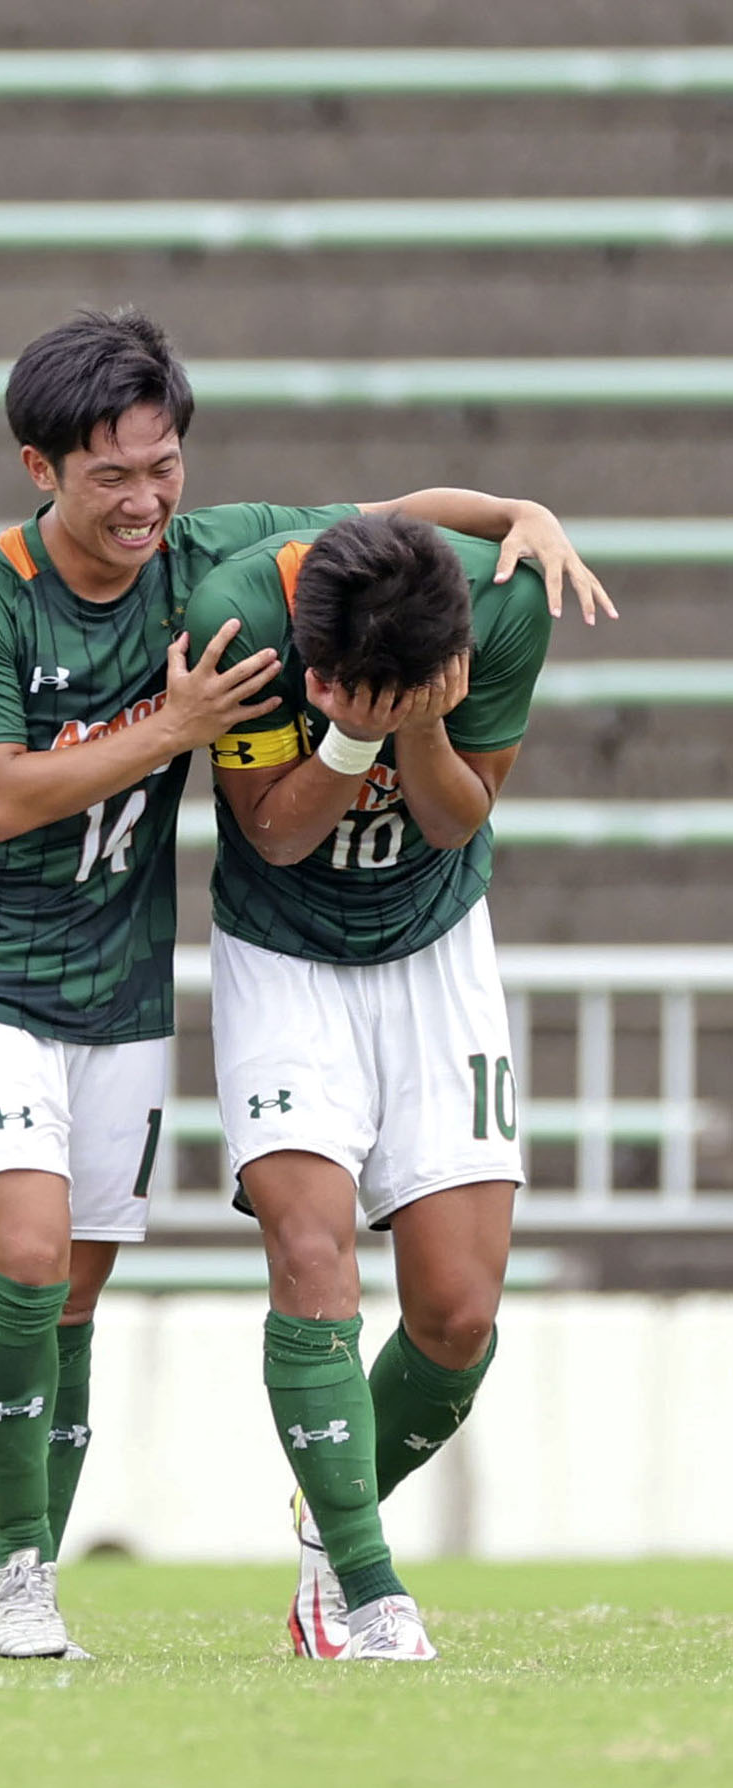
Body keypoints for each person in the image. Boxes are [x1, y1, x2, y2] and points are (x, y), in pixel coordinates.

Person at [0, 308, 609, 1660]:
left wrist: (516, 505)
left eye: (162, 467)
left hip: (117, 984)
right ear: (35, 467)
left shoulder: (204, 559)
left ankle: (267, 1537)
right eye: (112, 475)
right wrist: (174, 728)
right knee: (37, 1259)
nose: (145, 499)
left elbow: (380, 516)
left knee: (109, 1290)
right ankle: (38, 1568)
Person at [184, 512, 592, 1660]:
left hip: (437, 950)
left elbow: (465, 815)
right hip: (284, 956)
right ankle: (364, 1593)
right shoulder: (244, 619)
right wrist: (346, 742)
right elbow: (272, 838)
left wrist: (409, 727)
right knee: (313, 1257)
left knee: (459, 1316)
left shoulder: (501, 606)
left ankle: (332, 1502)